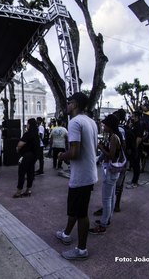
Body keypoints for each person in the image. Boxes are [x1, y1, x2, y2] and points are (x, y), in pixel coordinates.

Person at [56, 92, 98, 261]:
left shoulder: (74, 122)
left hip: (82, 176)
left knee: (81, 213)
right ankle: (66, 233)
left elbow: (74, 152)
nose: (66, 106)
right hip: (88, 172)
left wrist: (61, 156)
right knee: (75, 208)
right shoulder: (91, 121)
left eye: (68, 103)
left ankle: (81, 250)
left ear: (74, 104)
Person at [89, 114, 125, 235]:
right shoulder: (113, 136)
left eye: (105, 124)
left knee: (106, 199)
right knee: (111, 197)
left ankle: (103, 224)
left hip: (111, 171)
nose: (103, 126)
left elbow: (111, 155)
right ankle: (107, 219)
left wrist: (100, 147)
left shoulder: (114, 137)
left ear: (110, 125)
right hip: (112, 172)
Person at [13, 118, 40, 198]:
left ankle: (19, 191)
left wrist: (17, 148)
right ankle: (28, 190)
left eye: (27, 124)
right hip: (34, 156)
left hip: (26, 156)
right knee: (30, 172)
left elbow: (20, 145)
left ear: (30, 125)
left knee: (21, 172)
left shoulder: (27, 134)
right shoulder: (36, 134)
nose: (27, 125)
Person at [126, 111, 144, 189]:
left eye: (133, 116)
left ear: (137, 117)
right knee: (133, 164)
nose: (131, 117)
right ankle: (134, 179)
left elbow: (139, 139)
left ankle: (135, 182)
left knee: (136, 165)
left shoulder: (139, 125)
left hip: (136, 149)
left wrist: (135, 149)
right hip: (132, 148)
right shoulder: (134, 124)